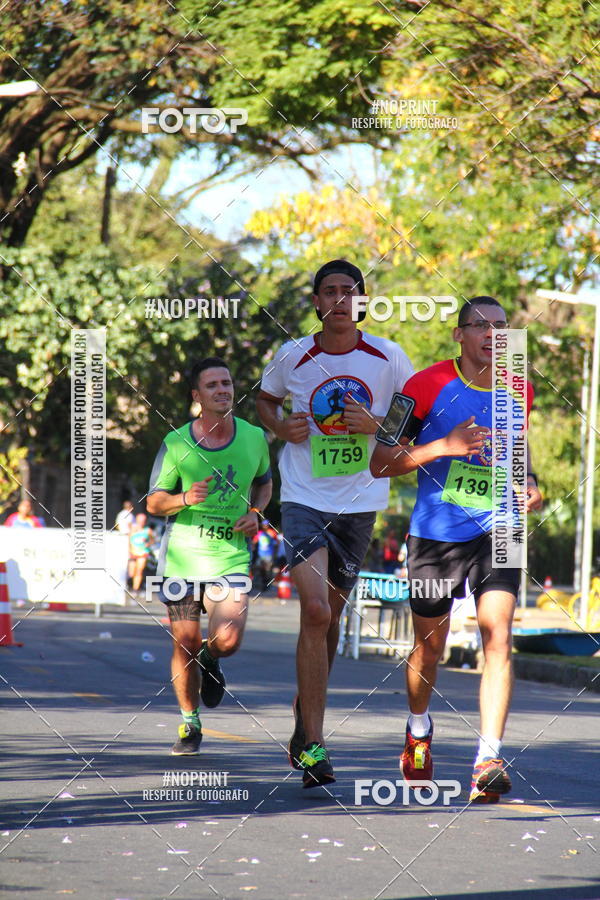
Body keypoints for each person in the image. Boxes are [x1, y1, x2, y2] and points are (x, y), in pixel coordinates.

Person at [370, 295, 543, 803]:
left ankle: (488, 756)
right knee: (430, 648)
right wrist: (443, 446)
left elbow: (517, 450)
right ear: (459, 335)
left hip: (502, 528)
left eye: (502, 326)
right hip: (437, 533)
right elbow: (381, 461)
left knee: (498, 635)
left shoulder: (520, 385)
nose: (493, 334)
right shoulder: (423, 386)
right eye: (480, 326)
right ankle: (418, 729)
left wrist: (528, 482)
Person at [257, 259, 413, 787]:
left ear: (362, 301)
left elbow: (414, 417)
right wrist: (281, 427)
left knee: (333, 618)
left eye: (351, 291)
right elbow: (264, 398)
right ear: (317, 301)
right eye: (330, 291)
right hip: (302, 497)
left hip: (361, 500)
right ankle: (316, 749)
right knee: (317, 610)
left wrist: (378, 425)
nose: (341, 299)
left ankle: (304, 727)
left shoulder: (389, 357)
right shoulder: (294, 354)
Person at [146, 357, 272, 756]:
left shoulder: (254, 438)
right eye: (213, 385)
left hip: (229, 558)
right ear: (197, 396)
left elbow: (265, 485)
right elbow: (153, 502)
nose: (223, 389)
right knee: (182, 640)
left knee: (228, 640)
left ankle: (211, 657)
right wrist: (184, 498)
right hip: (182, 560)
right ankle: (189, 723)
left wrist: (256, 513)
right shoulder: (177, 443)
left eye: (227, 382)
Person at [128, 513, 154, 595]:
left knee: (139, 571)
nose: (141, 522)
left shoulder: (148, 530)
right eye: (140, 520)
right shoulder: (133, 528)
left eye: (143, 521)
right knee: (131, 573)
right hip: (133, 552)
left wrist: (148, 544)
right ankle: (131, 584)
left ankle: (135, 589)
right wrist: (129, 549)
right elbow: (128, 540)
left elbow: (152, 540)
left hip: (143, 552)